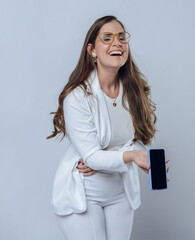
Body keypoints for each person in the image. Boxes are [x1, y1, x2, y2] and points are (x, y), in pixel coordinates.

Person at [47, 15, 169, 240]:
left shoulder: (133, 91)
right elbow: (93, 157)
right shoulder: (77, 97)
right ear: (92, 50)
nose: (117, 43)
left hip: (121, 192)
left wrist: (129, 157)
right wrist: (129, 156)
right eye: (107, 38)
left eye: (122, 37)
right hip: (84, 193)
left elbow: (138, 140)